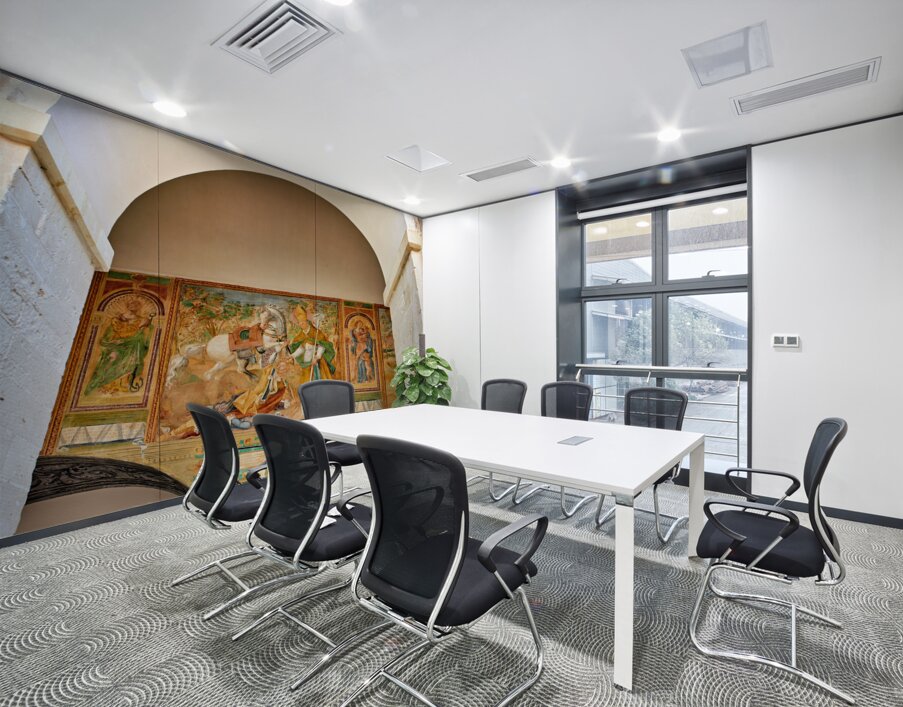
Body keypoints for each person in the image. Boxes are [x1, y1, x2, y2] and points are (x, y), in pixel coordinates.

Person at [85, 297, 153, 395]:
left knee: (129, 364)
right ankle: (107, 384)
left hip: (131, 346)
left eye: (137, 305)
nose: (134, 307)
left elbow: (145, 329)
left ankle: (122, 385)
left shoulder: (141, 320)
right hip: (116, 344)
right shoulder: (117, 319)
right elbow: (109, 333)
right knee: (112, 361)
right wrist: (112, 341)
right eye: (132, 304)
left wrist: (148, 323)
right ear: (128, 306)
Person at [287, 304, 336, 380]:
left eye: (302, 323)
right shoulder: (301, 335)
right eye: (299, 323)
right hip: (307, 361)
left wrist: (317, 357)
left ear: (306, 321)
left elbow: (322, 346)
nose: (301, 325)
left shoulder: (316, 332)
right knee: (306, 379)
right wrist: (292, 356)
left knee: (318, 378)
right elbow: (301, 348)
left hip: (317, 360)